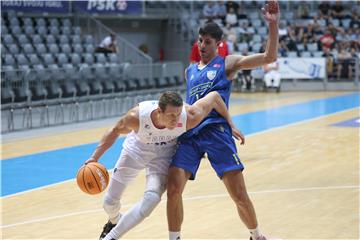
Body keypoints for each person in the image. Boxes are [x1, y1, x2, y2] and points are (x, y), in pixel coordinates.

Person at [166, 2, 279, 240]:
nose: (203, 45)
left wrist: (272, 24)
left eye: (208, 41)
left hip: (217, 132)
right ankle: (174, 238)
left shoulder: (227, 63)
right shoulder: (189, 71)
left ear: (218, 44)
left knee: (239, 196)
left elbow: (270, 56)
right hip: (190, 134)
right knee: (173, 189)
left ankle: (256, 236)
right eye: (200, 40)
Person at [84, 91, 243, 240]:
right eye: (171, 115)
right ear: (159, 111)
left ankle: (112, 237)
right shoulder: (137, 117)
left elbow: (214, 97)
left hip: (163, 155)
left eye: (178, 114)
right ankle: (114, 220)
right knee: (109, 203)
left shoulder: (190, 116)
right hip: (136, 151)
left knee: (152, 198)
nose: (175, 120)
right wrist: (94, 158)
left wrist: (232, 125)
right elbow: (114, 131)